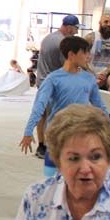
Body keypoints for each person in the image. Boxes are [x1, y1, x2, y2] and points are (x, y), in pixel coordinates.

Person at [19, 36, 109, 176]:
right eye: (84, 52)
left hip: (81, 135)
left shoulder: (89, 79)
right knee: (52, 178)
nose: (88, 56)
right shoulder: (53, 79)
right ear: (71, 55)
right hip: (57, 135)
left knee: (77, 178)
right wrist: (28, 131)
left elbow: (100, 107)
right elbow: (39, 106)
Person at [33, 14, 81, 159]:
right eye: (75, 28)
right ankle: (53, 148)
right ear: (69, 27)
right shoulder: (63, 43)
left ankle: (42, 146)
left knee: (42, 115)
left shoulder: (49, 38)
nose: (76, 32)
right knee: (57, 117)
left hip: (42, 80)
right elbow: (67, 66)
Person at [85, 13, 110, 96]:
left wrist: (104, 73)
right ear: (100, 23)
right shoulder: (90, 38)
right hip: (90, 71)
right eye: (106, 22)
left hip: (107, 72)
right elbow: (81, 59)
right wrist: (92, 74)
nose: (109, 24)